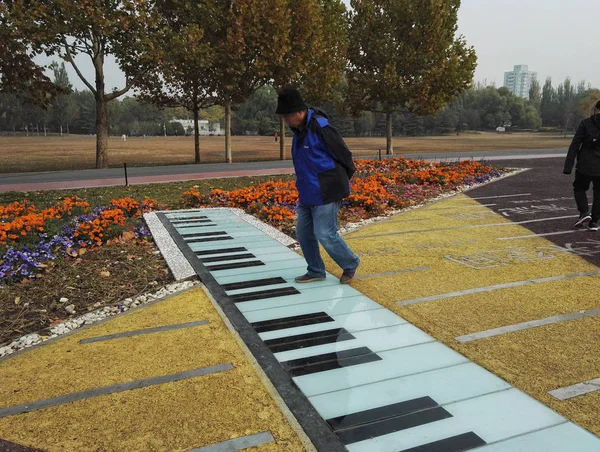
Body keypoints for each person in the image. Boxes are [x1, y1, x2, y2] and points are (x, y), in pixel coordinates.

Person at [276, 88, 360, 284]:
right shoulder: (299, 130)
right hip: (307, 191)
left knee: (324, 233)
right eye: (283, 117)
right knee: (304, 234)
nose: (286, 121)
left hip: (326, 191)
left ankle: (350, 264)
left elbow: (345, 156)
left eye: (288, 116)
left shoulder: (320, 127)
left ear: (300, 111)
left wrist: (339, 182)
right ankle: (315, 270)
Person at [564, 100, 600, 231]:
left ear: (596, 109)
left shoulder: (585, 123)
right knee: (599, 194)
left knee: (579, 188)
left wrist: (568, 165)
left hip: (585, 165)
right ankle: (594, 222)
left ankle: (584, 212)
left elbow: (575, 144)